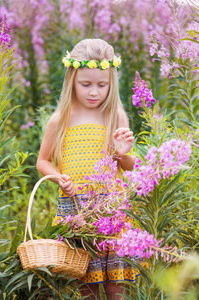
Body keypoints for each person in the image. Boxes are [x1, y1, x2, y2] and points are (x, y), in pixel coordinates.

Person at [36, 38, 147, 300]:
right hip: (76, 210)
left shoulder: (115, 117)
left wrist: (122, 154)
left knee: (117, 284)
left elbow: (131, 167)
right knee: (86, 284)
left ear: (112, 83)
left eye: (102, 85)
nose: (94, 92)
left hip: (112, 210)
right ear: (72, 80)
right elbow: (43, 161)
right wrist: (58, 177)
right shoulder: (60, 120)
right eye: (85, 84)